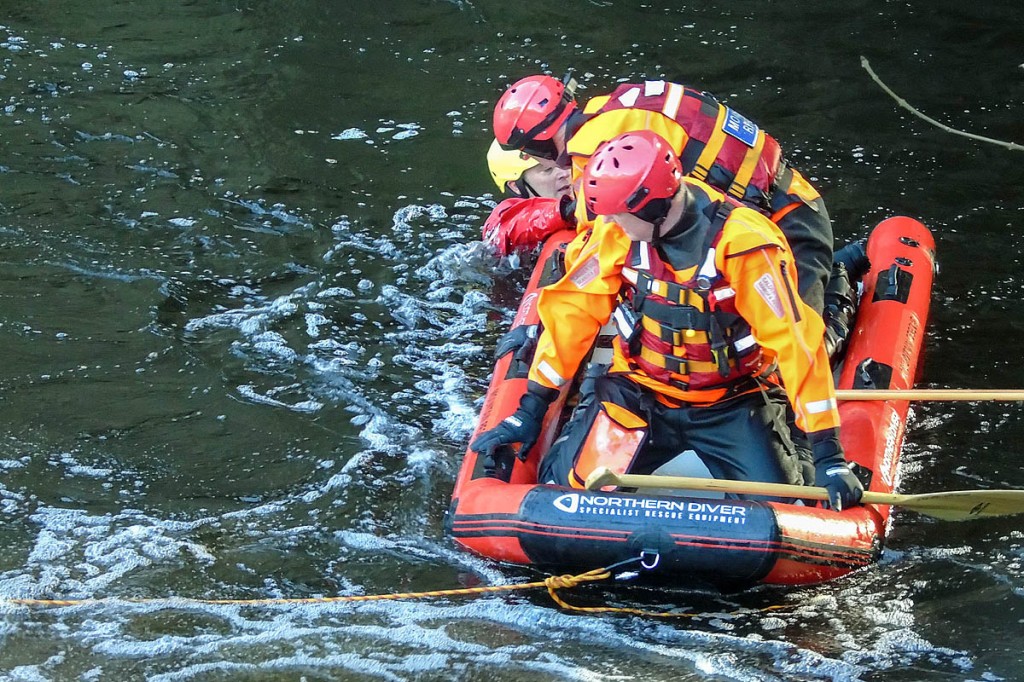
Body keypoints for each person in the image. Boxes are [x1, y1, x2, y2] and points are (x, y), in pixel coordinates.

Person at [471, 130, 864, 510]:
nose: (612, 225)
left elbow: (796, 344)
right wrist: (531, 409)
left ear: (654, 205)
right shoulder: (614, 231)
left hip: (730, 401)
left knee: (781, 505)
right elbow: (572, 315)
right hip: (639, 392)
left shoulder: (744, 245)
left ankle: (841, 281)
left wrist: (829, 454)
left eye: (621, 216)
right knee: (566, 490)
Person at [492, 74, 835, 317]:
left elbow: (596, 228)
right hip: (790, 198)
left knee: (800, 334)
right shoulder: (618, 103)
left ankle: (841, 297)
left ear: (538, 144)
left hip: (785, 228)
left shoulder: (594, 149)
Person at [481, 139, 576, 257]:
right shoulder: (505, 216)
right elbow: (512, 228)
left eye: (564, 162)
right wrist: (565, 210)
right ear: (515, 186)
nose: (564, 173)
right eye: (548, 169)